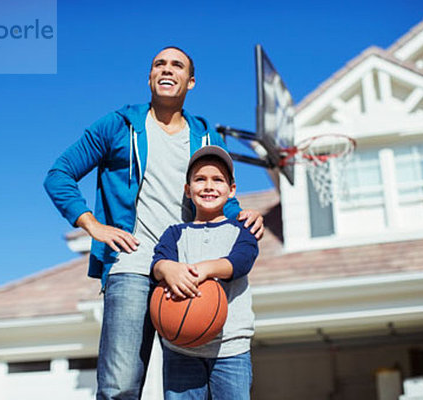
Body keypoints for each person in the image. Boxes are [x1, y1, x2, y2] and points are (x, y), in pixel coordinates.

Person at [43, 46, 264, 400]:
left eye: (177, 65)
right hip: (131, 263)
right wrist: (92, 225)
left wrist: (243, 215)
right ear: (149, 77)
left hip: (184, 269)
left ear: (190, 82)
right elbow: (59, 174)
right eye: (159, 63)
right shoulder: (118, 126)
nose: (167, 68)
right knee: (120, 385)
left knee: (185, 380)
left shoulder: (205, 135)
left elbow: (222, 195)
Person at [152, 145, 258, 400]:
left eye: (218, 180)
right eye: (200, 179)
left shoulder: (241, 230)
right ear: (188, 190)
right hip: (181, 348)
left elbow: (241, 262)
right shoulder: (176, 234)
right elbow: (157, 264)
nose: (209, 186)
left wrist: (203, 270)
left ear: (232, 190)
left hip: (231, 348)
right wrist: (167, 268)